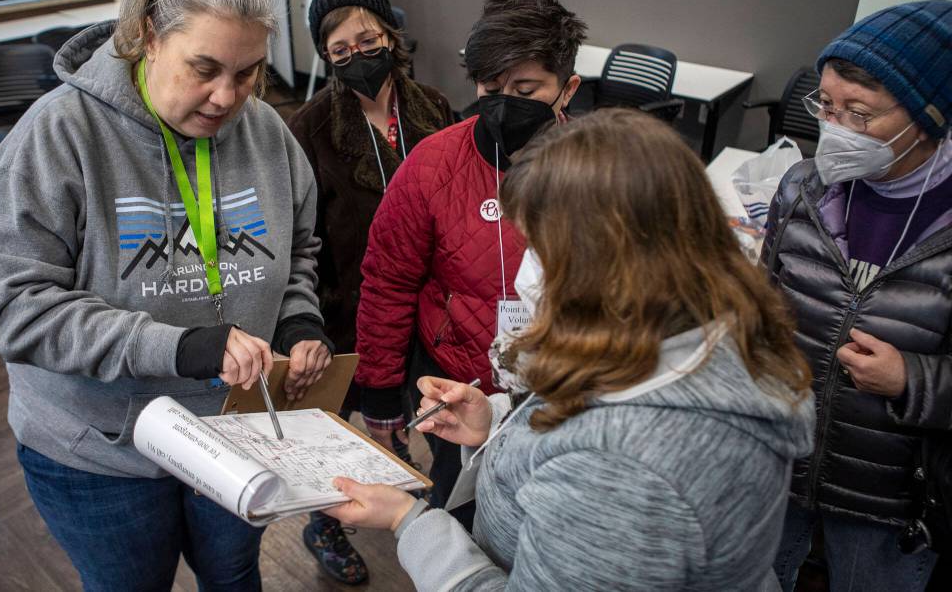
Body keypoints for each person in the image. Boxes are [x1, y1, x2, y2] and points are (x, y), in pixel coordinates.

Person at [0, 0, 333, 591]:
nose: (228, 97)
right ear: (150, 37)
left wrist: (298, 324)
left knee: (234, 576)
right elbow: (12, 310)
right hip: (100, 454)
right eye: (205, 69)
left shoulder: (268, 133)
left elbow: (301, 249)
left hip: (235, 432)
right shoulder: (59, 135)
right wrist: (181, 346)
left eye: (247, 72)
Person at [325, 108, 815, 590]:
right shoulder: (691, 333)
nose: (527, 270)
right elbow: (590, 413)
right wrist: (498, 422)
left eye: (540, 247)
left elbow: (599, 450)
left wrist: (411, 522)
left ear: (610, 262)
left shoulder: (623, 473)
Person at [355, 0, 585, 522]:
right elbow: (388, 281)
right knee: (461, 516)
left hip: (561, 398)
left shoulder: (595, 173)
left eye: (526, 88)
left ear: (567, 89)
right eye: (490, 85)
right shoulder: (434, 165)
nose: (504, 100)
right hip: (453, 385)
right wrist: (381, 389)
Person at [762, 0, 952, 591]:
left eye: (859, 113)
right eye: (826, 106)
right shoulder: (802, 187)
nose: (834, 129)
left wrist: (910, 381)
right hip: (779, 468)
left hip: (893, 499)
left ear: (931, 115)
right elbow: (762, 308)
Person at [285, 0, 454, 585]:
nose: (358, 55)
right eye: (340, 50)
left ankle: (399, 470)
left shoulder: (434, 107)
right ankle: (323, 521)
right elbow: (300, 239)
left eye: (369, 38)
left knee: (419, 405)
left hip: (432, 304)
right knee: (336, 424)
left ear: (391, 34)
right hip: (346, 308)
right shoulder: (309, 129)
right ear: (327, 59)